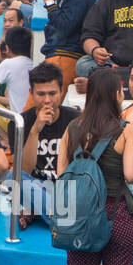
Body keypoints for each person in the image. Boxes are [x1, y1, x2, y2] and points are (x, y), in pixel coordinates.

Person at [60, 68, 133, 265]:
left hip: (80, 218)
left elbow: (61, 175)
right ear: (118, 94)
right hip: (116, 214)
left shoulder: (72, 129)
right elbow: (131, 175)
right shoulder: (125, 130)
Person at [17, 63, 80, 224]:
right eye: (41, 94)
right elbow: (24, 170)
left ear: (61, 92)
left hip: (67, 189)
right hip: (36, 188)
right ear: (31, 93)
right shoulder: (19, 122)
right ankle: (58, 218)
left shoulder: (76, 120)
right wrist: (35, 130)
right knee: (14, 178)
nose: (47, 100)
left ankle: (40, 213)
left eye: (52, 93)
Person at [0, 24, 32, 112]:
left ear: (7, 49)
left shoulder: (8, 64)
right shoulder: (32, 63)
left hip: (16, 121)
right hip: (30, 119)